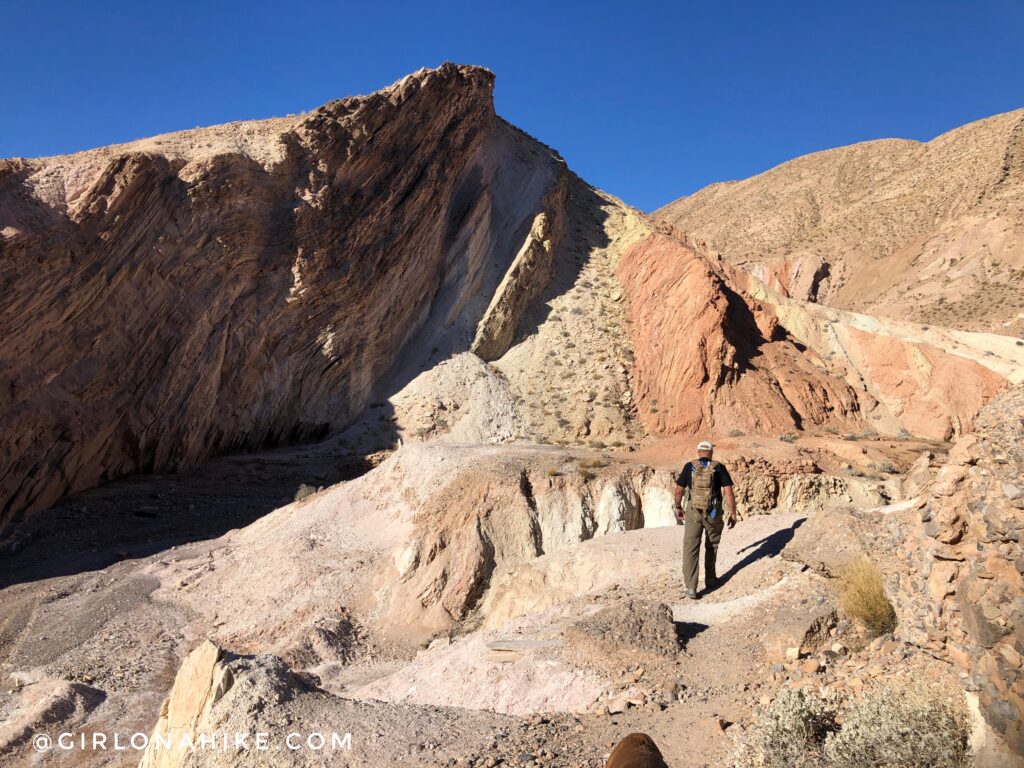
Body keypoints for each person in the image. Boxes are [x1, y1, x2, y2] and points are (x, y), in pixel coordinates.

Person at [674, 440, 736, 599]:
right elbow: (729, 492)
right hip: (713, 512)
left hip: (693, 512)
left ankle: (691, 587)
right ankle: (710, 580)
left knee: (690, 548)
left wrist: (678, 507)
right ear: (711, 452)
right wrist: (733, 513)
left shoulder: (690, 466)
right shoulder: (718, 467)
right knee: (712, 545)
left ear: (698, 452)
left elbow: (679, 491)